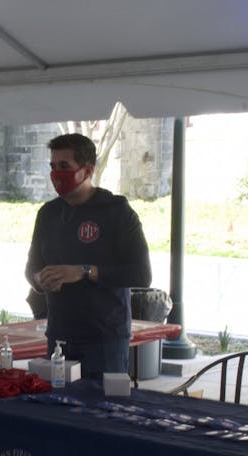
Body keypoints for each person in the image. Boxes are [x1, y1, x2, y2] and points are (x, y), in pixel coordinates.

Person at [24, 133, 152, 378]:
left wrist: (85, 271)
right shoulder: (48, 214)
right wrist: (40, 279)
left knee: (105, 411)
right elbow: (31, 268)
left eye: (64, 166)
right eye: (53, 166)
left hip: (105, 340)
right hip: (59, 337)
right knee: (58, 410)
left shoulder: (117, 211)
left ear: (87, 170)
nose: (56, 173)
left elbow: (142, 274)